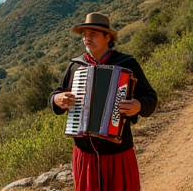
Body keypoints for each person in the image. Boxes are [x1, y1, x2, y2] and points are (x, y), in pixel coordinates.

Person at [48, 12, 157, 191]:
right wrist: (57, 99)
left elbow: (150, 97)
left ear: (108, 38)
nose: (86, 39)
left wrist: (138, 105)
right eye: (84, 35)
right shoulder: (76, 66)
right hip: (85, 153)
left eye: (93, 34)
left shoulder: (127, 64)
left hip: (118, 152)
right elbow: (57, 94)